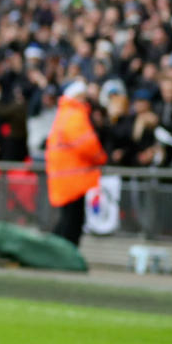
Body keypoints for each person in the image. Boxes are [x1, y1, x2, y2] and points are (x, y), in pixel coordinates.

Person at [45, 80, 107, 246]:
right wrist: (101, 157)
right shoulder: (75, 114)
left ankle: (57, 251)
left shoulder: (64, 113)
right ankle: (65, 253)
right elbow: (86, 144)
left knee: (67, 218)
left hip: (65, 176)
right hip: (74, 178)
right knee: (73, 220)